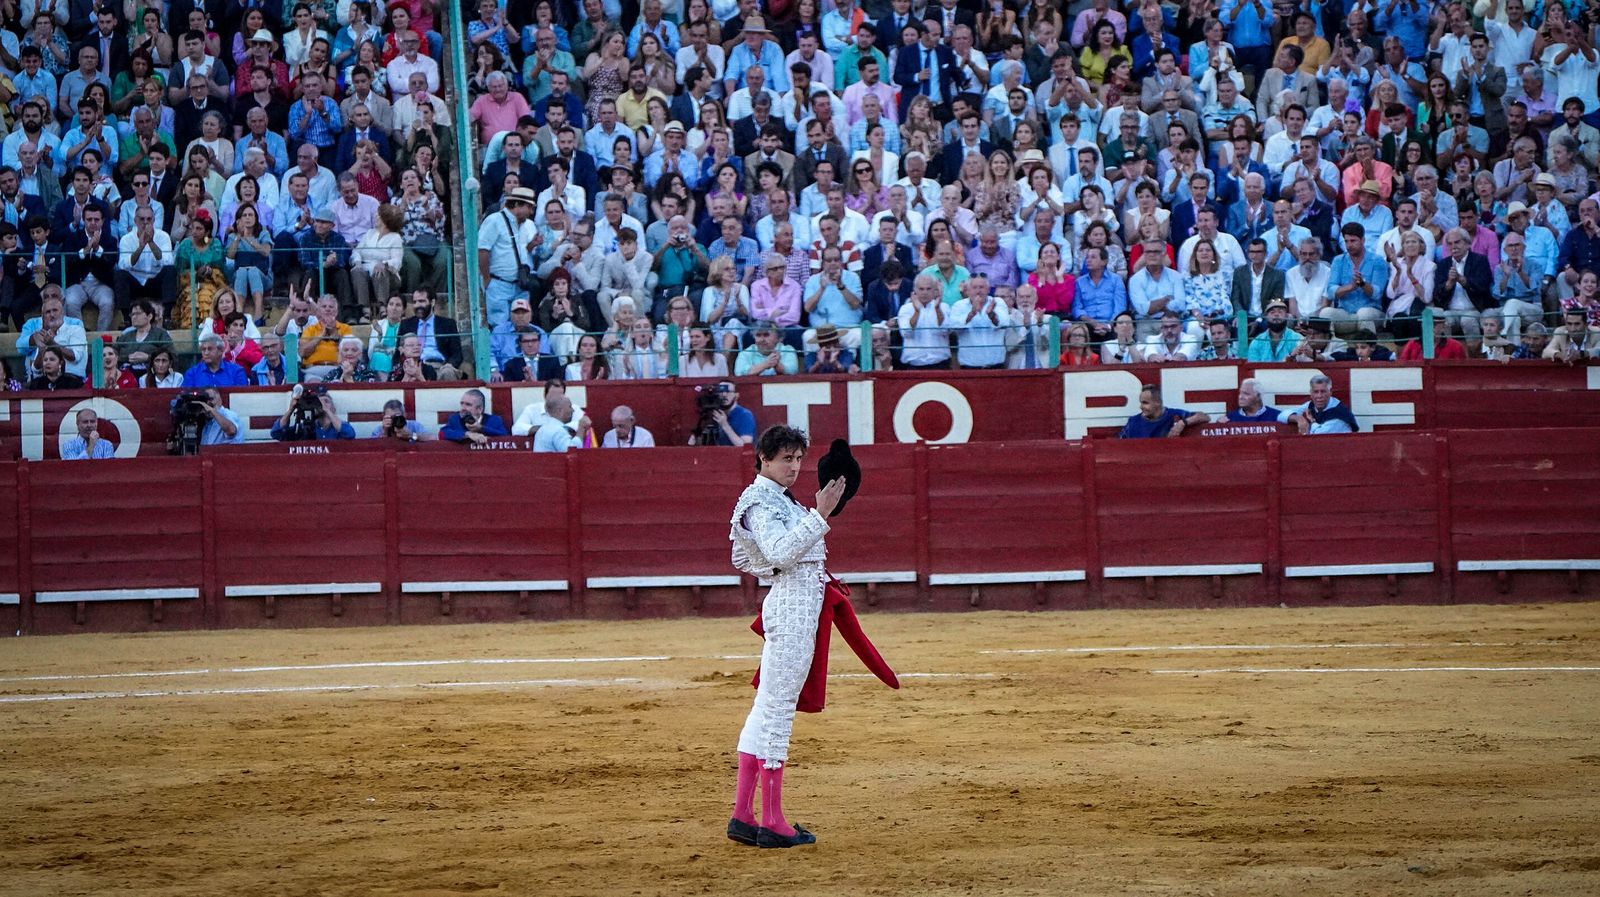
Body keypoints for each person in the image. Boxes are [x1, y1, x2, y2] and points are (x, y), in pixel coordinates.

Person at [727, 424, 848, 850]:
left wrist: (772, 569)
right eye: (786, 459)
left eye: (799, 459)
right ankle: (773, 820)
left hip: (792, 604)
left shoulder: (770, 498)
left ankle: (744, 814)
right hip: (793, 612)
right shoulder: (762, 501)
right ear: (764, 457)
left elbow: (746, 556)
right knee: (778, 713)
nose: (795, 467)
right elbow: (775, 552)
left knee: (765, 710)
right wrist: (820, 515)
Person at [1119, 383, 1210, 438]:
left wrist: (1182, 423)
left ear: (1158, 403)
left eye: (1145, 403)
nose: (1141, 407)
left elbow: (1205, 417)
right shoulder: (1133, 422)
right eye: (1141, 403)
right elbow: (1119, 444)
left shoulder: (1174, 415)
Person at [270, 385, 356, 441]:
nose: (321, 404)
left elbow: (349, 434)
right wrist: (291, 409)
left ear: (333, 409)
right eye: (318, 401)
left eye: (326, 401)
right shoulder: (306, 428)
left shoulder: (338, 428)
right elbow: (276, 433)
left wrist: (327, 410)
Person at [691, 379, 757, 446]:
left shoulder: (744, 415)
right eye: (721, 391)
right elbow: (698, 445)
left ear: (736, 395)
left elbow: (745, 446)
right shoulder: (713, 414)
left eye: (729, 392)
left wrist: (724, 425)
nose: (724, 394)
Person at [440, 389, 509, 445]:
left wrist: (481, 428)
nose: (463, 408)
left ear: (479, 409)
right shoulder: (455, 419)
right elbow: (442, 433)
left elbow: (506, 436)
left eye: (468, 404)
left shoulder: (494, 420)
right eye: (462, 403)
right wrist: (468, 434)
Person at [182, 332, 249, 387]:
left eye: (210, 349)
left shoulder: (236, 372)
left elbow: (241, 399)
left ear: (221, 350)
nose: (206, 352)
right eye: (203, 349)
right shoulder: (192, 373)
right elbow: (186, 398)